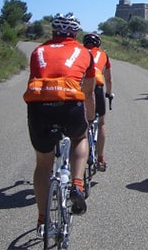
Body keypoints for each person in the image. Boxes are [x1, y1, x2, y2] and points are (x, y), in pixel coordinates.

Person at [23, 13, 96, 236]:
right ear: (74, 33)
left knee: (43, 164)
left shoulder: (38, 51)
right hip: (70, 104)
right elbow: (90, 92)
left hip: (39, 107)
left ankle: (43, 219)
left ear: (53, 32)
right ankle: (77, 183)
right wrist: (90, 118)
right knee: (80, 138)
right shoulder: (84, 52)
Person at [82, 32, 113, 171]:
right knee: (101, 123)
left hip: (78, 87)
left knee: (80, 123)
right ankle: (100, 159)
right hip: (97, 88)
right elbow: (108, 79)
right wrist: (108, 93)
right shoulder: (103, 55)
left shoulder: (79, 53)